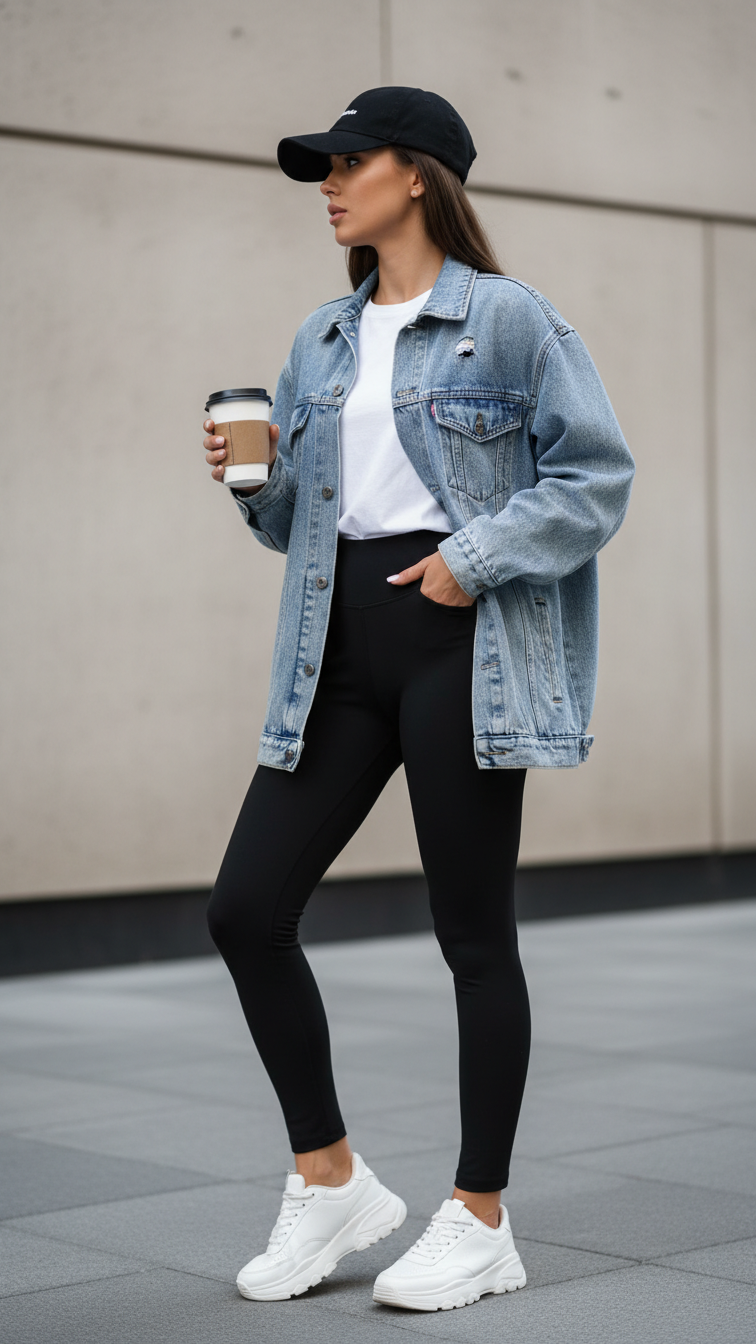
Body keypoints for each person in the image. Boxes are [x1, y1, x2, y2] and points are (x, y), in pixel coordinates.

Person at [204, 86, 635, 1313]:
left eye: (351, 160)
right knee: (245, 909)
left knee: (470, 936)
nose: (331, 183)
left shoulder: (509, 322)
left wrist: (474, 558)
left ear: (420, 174)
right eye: (324, 166)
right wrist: (253, 484)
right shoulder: (319, 339)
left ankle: (482, 1215)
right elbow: (296, 525)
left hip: (459, 636)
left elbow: (595, 477)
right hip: (335, 646)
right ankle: (331, 1177)